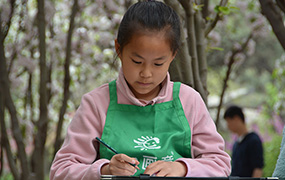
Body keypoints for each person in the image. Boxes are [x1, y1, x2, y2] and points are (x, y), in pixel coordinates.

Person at [50, 1, 231, 179]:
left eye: (158, 63)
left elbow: (219, 164)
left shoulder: (188, 100)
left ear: (173, 55)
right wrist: (104, 170)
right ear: (118, 49)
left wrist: (182, 168)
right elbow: (61, 171)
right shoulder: (96, 104)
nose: (146, 73)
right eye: (137, 62)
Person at [224, 105, 264, 177]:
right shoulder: (236, 144)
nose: (228, 126)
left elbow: (257, 169)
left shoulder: (253, 140)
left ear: (236, 119)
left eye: (228, 122)